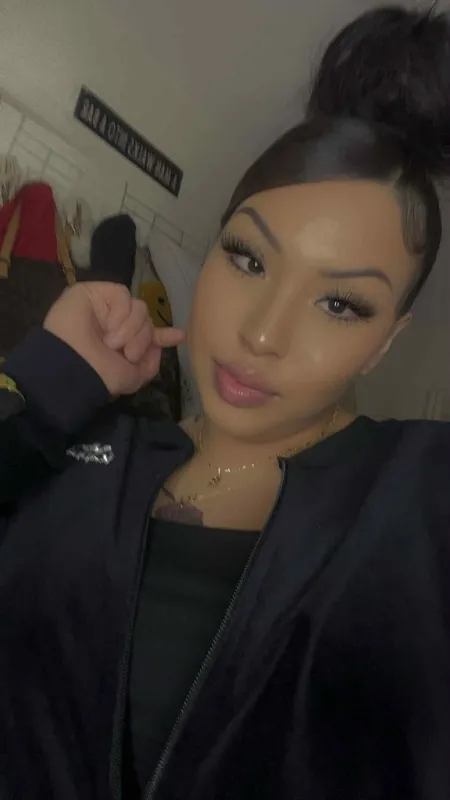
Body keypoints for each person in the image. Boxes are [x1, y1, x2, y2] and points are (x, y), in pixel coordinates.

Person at [1, 6, 450, 799]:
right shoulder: (80, 451)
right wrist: (47, 386)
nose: (263, 334)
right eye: (246, 258)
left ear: (386, 341)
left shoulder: (420, 493)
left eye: (340, 304)